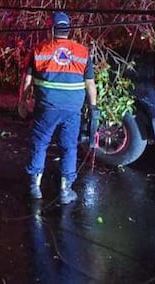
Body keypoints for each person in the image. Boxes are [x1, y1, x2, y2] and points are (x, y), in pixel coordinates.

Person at [19, 11, 97, 205]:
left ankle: (34, 187)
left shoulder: (39, 50)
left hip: (46, 108)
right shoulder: (82, 52)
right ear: (68, 30)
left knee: (40, 144)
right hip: (72, 109)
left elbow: (27, 80)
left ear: (51, 29)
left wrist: (22, 101)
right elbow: (90, 85)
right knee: (69, 147)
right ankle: (65, 190)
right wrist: (93, 108)